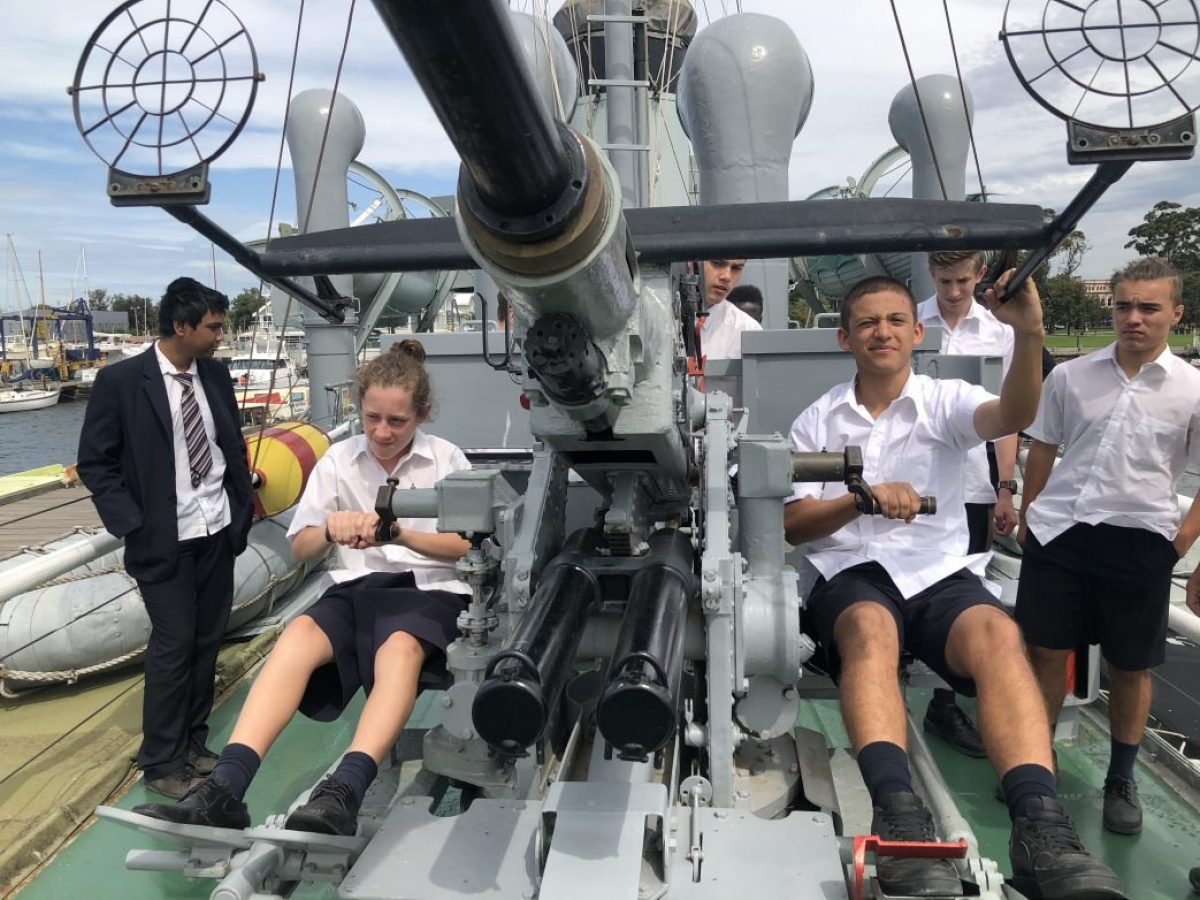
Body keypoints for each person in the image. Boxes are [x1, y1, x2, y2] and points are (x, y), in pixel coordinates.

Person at [784, 274, 1122, 899]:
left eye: (894, 321)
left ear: (917, 332)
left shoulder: (946, 401)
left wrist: (1029, 332)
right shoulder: (816, 420)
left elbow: (1013, 414)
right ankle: (898, 816)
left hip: (936, 570)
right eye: (866, 322)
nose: (882, 332)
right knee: (869, 629)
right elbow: (795, 523)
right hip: (849, 571)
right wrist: (859, 501)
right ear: (844, 338)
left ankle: (1040, 827)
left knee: (998, 633)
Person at [133, 340, 473, 835]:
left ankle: (345, 790)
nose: (382, 431)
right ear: (359, 408)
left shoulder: (446, 459)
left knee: (398, 649)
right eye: (372, 417)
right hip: (357, 586)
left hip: (428, 588)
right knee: (295, 639)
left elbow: (464, 545)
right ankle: (225, 787)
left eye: (397, 422)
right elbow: (302, 547)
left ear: (421, 414)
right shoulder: (338, 460)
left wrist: (397, 533)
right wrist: (330, 529)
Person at [1016, 256, 1200, 836]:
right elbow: (1043, 448)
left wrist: (1179, 547)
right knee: (1045, 652)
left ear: (1176, 313)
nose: (1134, 318)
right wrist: (1028, 518)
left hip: (1141, 540)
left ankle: (1120, 779)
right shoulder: (1071, 378)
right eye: (1124, 306)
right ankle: (1036, 766)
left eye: (1149, 307)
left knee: (1130, 664)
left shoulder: (1193, 390)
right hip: (1061, 532)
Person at [77, 277, 254, 799]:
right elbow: (96, 462)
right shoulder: (121, 382)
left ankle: (193, 743)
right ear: (180, 325)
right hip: (163, 539)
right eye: (213, 327)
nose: (220, 336)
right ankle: (160, 761)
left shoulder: (215, 375)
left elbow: (229, 445)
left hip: (217, 530)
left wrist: (240, 508)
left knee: (206, 642)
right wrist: (133, 523)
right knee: (173, 647)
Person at [917, 250, 1018, 759]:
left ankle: (944, 702)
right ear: (931, 275)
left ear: (979, 275)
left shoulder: (1001, 332)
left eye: (962, 280)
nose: (953, 292)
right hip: (917, 482)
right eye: (944, 281)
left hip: (974, 484)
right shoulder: (910, 322)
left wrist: (1006, 487)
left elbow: (1009, 417)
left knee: (964, 589)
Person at [699, 258, 761, 359]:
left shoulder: (747, 331)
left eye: (736, 268)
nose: (727, 276)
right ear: (690, 264)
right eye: (717, 263)